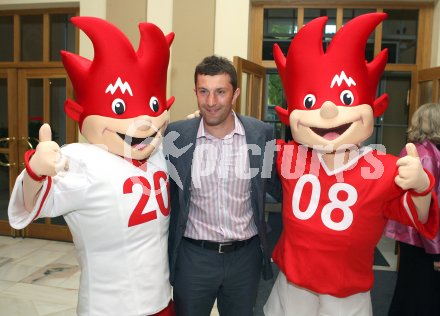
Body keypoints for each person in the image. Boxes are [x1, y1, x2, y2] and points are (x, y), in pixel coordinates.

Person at [263, 13, 438, 316]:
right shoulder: (288, 155)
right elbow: (240, 148)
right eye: (310, 103)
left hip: (347, 296)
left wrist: (423, 187)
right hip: (292, 287)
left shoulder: (384, 169)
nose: (329, 110)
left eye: (345, 97)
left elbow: (418, 216)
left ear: (374, 108)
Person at [8, 17, 175, 316]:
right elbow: (28, 206)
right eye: (121, 109)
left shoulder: (158, 153)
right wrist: (35, 171)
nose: (145, 122)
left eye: (153, 107)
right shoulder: (82, 161)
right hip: (109, 306)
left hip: (161, 299)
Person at [166, 55, 280, 316]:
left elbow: (277, 185)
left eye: (220, 92)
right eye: (203, 91)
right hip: (195, 257)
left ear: (235, 93)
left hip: (244, 257)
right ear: (195, 91)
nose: (210, 102)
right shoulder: (177, 135)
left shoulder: (260, 134)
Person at [384, 102, 440, 316]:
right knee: (420, 292)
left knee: (410, 288)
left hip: (414, 236)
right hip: (422, 238)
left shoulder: (421, 150)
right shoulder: (425, 155)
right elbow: (425, 207)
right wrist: (436, 251)